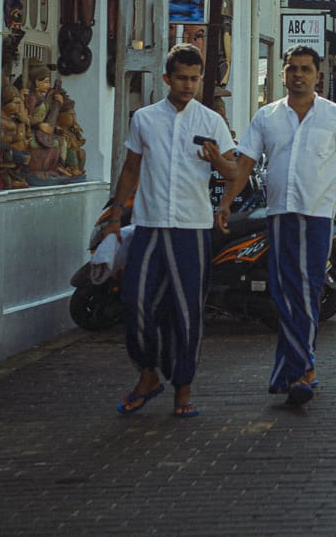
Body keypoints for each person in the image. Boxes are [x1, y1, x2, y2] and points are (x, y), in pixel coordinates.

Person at [215, 45, 336, 407]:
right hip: (279, 216)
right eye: (292, 68)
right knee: (282, 294)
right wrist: (225, 201)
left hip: (317, 218)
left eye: (305, 69)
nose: (298, 75)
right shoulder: (267, 116)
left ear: (317, 76)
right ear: (282, 74)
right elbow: (246, 163)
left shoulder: (335, 116)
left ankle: (303, 371)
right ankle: (293, 370)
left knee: (308, 292)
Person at [106, 43, 237, 419]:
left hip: (191, 230)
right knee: (135, 304)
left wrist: (217, 162)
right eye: (182, 78)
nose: (189, 85)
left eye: (195, 79)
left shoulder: (211, 121)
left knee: (187, 312)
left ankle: (183, 389)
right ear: (167, 78)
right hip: (148, 225)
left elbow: (233, 173)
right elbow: (130, 170)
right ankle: (148, 373)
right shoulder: (145, 119)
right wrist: (116, 218)